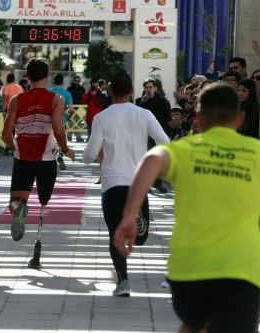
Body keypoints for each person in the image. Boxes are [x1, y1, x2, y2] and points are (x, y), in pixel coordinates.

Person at [114, 83, 260, 332]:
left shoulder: (185, 150)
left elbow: (151, 160)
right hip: (241, 269)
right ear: (241, 117)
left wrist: (129, 216)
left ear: (199, 118)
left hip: (188, 272)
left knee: (194, 323)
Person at [83, 71, 169, 297]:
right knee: (140, 238)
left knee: (115, 234)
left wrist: (85, 156)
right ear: (132, 91)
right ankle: (139, 223)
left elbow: (90, 154)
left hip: (111, 183)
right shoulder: (144, 113)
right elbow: (164, 141)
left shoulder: (102, 118)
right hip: (137, 181)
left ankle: (123, 282)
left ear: (109, 92)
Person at [2, 58, 75, 242]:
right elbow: (58, 129)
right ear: (47, 76)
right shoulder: (56, 100)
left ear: (27, 76)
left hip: (22, 158)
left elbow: (5, 135)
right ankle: (35, 211)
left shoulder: (17, 100)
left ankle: (20, 209)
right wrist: (66, 149)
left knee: (16, 201)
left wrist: (15, 146)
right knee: (43, 200)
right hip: (46, 160)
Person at [49, 73, 74, 170]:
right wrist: (68, 117)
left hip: (49, 120)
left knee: (51, 139)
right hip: (61, 119)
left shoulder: (49, 92)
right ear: (63, 82)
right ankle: (60, 155)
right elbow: (71, 109)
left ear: (53, 82)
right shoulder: (67, 93)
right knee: (61, 139)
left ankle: (50, 158)